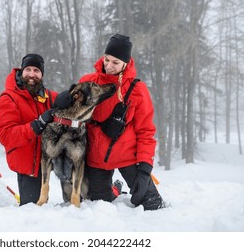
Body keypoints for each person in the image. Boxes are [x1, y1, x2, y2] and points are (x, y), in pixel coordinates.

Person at [54, 34, 165, 210]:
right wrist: (60, 100)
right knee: (100, 204)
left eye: (116, 62)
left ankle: (135, 186)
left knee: (152, 204)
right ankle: (115, 189)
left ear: (126, 63)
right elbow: (70, 111)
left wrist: (144, 168)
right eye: (107, 60)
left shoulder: (137, 89)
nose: (109, 66)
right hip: (96, 158)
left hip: (127, 156)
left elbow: (146, 131)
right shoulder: (88, 82)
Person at [0, 53, 57, 206]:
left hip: (50, 161)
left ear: (42, 74)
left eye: (36, 70)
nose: (31, 74)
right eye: (28, 69)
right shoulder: (9, 98)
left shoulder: (50, 97)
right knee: (32, 209)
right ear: (21, 72)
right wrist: (36, 125)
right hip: (28, 165)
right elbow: (6, 135)